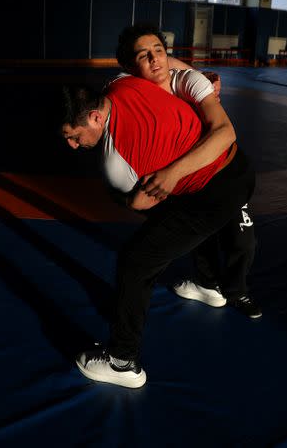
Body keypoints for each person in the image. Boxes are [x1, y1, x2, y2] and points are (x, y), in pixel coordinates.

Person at [60, 76, 256, 389]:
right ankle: (209, 286)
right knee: (182, 218)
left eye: (73, 135)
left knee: (136, 261)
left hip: (216, 196)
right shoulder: (122, 82)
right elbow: (174, 69)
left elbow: (140, 202)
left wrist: (130, 197)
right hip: (240, 165)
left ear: (95, 117)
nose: (72, 145)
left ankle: (122, 361)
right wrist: (204, 83)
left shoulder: (116, 163)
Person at [110, 23, 258, 319]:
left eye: (159, 52)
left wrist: (172, 173)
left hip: (222, 169)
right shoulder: (128, 88)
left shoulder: (187, 82)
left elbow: (226, 133)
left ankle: (236, 289)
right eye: (144, 56)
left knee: (241, 236)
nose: (154, 60)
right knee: (194, 228)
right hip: (191, 181)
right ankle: (206, 283)